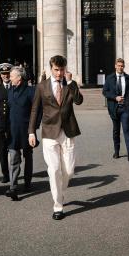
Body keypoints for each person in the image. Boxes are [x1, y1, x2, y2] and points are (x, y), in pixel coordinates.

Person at [28, 55, 83, 220]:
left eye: (62, 70)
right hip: (49, 132)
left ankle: (60, 192)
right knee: (54, 170)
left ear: (65, 69)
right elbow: (35, 110)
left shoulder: (69, 85)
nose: (59, 73)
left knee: (69, 171)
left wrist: (72, 83)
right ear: (51, 69)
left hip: (68, 131)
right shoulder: (41, 86)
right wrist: (31, 131)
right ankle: (58, 206)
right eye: (56, 70)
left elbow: (79, 101)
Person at [5, 66, 36, 201]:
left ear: (19, 78)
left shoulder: (30, 91)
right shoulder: (10, 91)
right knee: (13, 159)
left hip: (26, 131)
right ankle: (13, 186)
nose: (9, 78)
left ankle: (28, 183)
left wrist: (33, 130)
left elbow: (36, 111)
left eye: (12, 76)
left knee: (28, 157)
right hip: (12, 130)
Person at [102, 58, 129, 162]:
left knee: (127, 130)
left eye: (122, 66)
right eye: (118, 65)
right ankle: (117, 151)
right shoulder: (109, 78)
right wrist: (115, 97)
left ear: (124, 66)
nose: (120, 67)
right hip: (114, 108)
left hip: (126, 108)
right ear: (115, 66)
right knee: (116, 131)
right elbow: (105, 92)